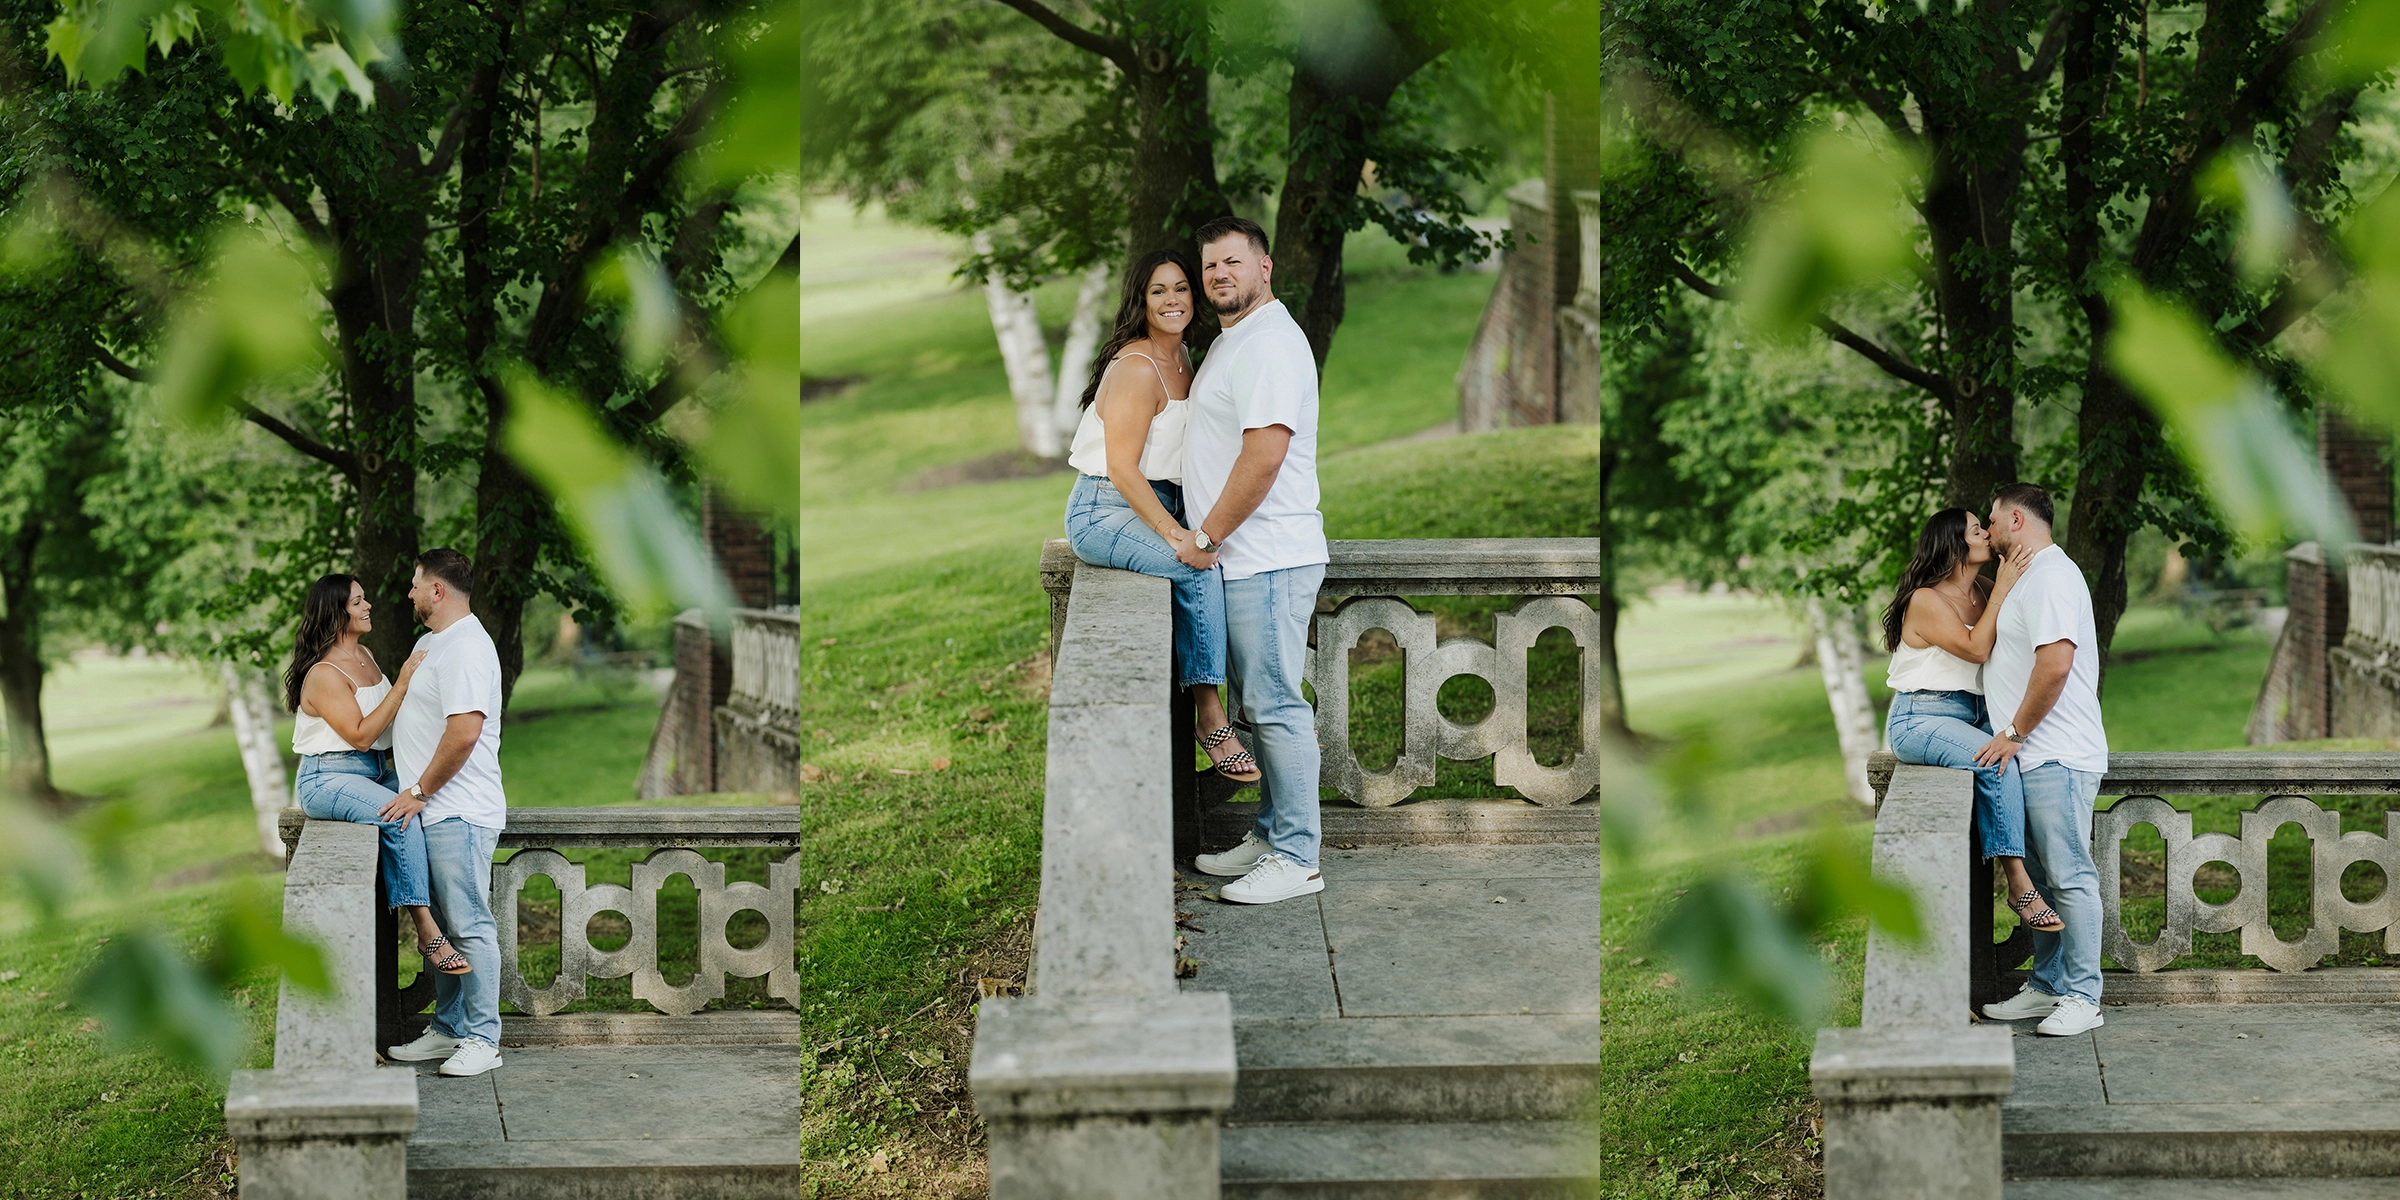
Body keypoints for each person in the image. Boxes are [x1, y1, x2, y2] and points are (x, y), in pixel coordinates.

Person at [1062, 248, 1260, 783]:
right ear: (1141, 301)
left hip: (1163, 501)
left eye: (1180, 288)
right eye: (1158, 290)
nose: (1172, 300)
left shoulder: (1185, 358)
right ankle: (1211, 718)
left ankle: (1256, 701)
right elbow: (1123, 470)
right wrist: (1176, 536)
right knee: (1195, 567)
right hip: (1105, 509)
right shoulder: (1137, 367)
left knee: (1233, 565)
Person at [1182, 215, 1330, 906]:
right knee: (1260, 705)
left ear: (1264, 267)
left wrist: (1206, 537)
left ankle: (1298, 857)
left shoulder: (1269, 341)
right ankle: (1271, 835)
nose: (1220, 274)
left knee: (1275, 706)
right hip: (1243, 560)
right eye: (1210, 265)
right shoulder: (1233, 340)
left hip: (1265, 555)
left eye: (1233, 262)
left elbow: (1264, 456)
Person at [1972, 483, 2111, 1038]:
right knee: (2045, 885)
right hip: (2030, 758)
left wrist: (2013, 731)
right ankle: (2049, 986)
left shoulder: (2053, 575)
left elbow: (2055, 665)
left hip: (2057, 754)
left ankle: (2084, 996)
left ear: (2016, 520)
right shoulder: (2027, 578)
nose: (1987, 530)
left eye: (1991, 519)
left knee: (2070, 877)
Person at [1880, 509, 2058, 934]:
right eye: (1977, 530)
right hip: (1921, 716)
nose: (1986, 535)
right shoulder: (1926, 600)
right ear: (1955, 544)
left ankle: (2048, 868)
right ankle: (2018, 885)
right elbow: (1976, 649)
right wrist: (2004, 587)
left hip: (1976, 712)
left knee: (2028, 760)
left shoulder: (1982, 588)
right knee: (1997, 761)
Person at [284, 574, 465, 975]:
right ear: (336, 613)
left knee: (430, 802)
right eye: (357, 602)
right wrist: (402, 682)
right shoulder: (324, 674)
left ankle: (452, 910)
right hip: (328, 777)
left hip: (376, 771)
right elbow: (362, 735)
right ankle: (426, 931)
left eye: (364, 598)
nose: (368, 606)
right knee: (399, 816)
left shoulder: (364, 655)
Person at [381, 549, 512, 1077]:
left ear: (438, 591)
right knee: (445, 933)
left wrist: (417, 790)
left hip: (458, 811)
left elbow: (464, 733)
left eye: (416, 584)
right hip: (431, 812)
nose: (409, 592)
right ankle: (450, 1029)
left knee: (469, 925)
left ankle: (484, 1039)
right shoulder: (429, 644)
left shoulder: (467, 647)